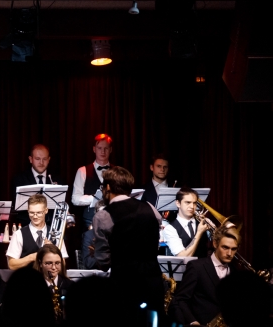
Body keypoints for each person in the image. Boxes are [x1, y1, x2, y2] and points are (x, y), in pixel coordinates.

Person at [92, 166, 164, 310]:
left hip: (124, 286)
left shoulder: (103, 216)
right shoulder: (150, 208)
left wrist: (96, 253)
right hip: (153, 282)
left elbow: (104, 264)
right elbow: (153, 238)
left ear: (107, 187)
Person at [170, 224, 240, 326]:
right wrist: (193, 322)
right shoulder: (196, 267)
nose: (229, 253)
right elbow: (180, 300)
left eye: (233, 249)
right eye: (225, 247)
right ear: (215, 244)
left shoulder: (235, 272)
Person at [6, 194, 68, 270]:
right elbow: (11, 265)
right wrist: (31, 257)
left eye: (39, 212)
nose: (35, 216)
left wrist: (53, 251)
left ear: (46, 210)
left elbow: (63, 264)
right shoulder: (18, 234)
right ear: (28, 211)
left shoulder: (56, 234)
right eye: (31, 213)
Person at [72, 133, 113, 228]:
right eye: (99, 148)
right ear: (94, 149)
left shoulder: (117, 171)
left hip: (113, 218)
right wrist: (96, 198)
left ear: (110, 150)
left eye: (106, 148)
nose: (103, 151)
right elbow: (75, 199)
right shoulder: (82, 170)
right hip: (90, 220)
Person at [11, 144, 58, 227]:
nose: (41, 162)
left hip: (51, 226)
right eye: (37, 159)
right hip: (26, 225)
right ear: (30, 159)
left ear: (49, 160)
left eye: (44, 159)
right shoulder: (20, 179)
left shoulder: (57, 178)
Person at [161, 187, 209, 258]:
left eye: (194, 203)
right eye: (188, 202)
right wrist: (199, 233)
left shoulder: (202, 223)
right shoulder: (170, 229)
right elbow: (182, 256)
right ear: (178, 203)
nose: (192, 206)